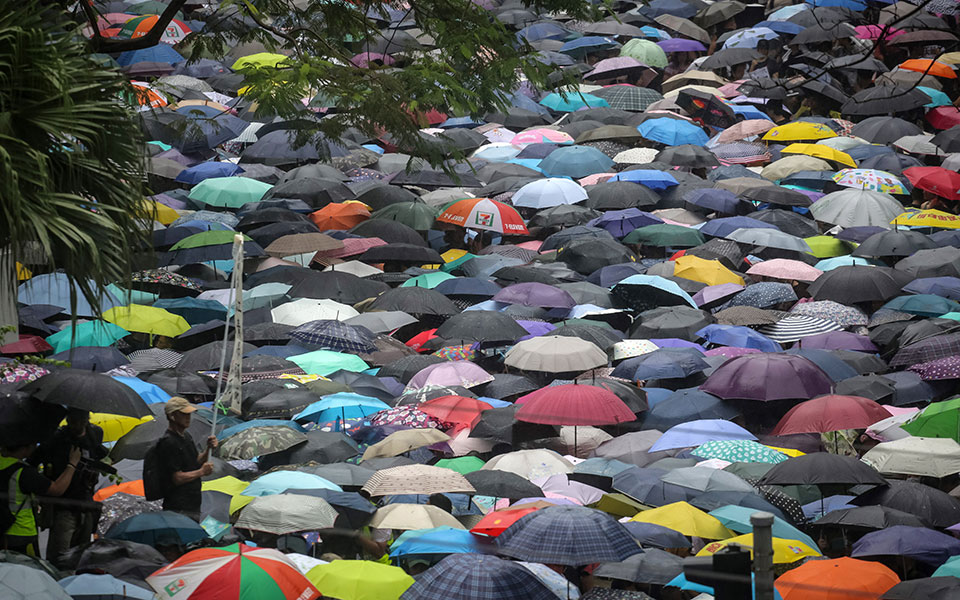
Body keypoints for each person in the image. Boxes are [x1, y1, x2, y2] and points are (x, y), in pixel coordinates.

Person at [32, 408, 108, 563]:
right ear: (67, 420)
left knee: (80, 556)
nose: (77, 425)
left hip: (86, 503)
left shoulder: (95, 435)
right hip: (63, 505)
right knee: (60, 557)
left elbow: (99, 456)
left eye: (81, 420)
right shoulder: (56, 439)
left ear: (87, 418)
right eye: (73, 420)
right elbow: (33, 461)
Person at [0, 441, 80, 557]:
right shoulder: (23, 472)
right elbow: (57, 489)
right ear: (24, 448)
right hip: (21, 532)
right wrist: (72, 464)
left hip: (2, 529)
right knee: (27, 571)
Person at [153, 396, 217, 521]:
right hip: (178, 505)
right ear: (172, 416)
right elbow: (177, 477)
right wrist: (201, 472)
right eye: (184, 414)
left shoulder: (186, 436)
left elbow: (195, 462)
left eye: (189, 414)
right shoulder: (168, 442)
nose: (188, 418)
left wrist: (208, 449)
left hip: (192, 502)